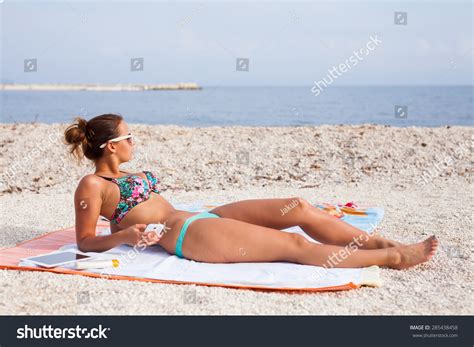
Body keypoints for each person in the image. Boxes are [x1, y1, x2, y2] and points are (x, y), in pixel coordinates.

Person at [64, 113, 438, 270]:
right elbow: (84, 241)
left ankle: (376, 242)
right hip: (186, 235)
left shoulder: (128, 171)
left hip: (200, 217)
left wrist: (125, 231)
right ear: (112, 145)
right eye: (129, 136)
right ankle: (391, 258)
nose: (135, 140)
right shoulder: (92, 185)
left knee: (299, 209)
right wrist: (127, 234)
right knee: (295, 247)